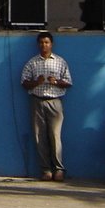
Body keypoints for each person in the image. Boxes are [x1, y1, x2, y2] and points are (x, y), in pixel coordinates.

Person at [21, 31, 72, 181]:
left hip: (55, 101)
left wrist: (55, 81)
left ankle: (59, 169)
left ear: (52, 44)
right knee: (39, 136)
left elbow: (68, 82)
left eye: (47, 42)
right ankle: (46, 170)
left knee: (55, 136)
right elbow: (24, 82)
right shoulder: (32, 63)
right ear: (38, 45)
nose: (44, 45)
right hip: (37, 100)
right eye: (42, 43)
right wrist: (36, 82)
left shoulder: (60, 61)